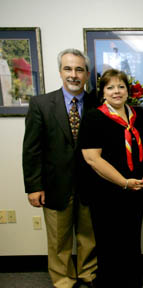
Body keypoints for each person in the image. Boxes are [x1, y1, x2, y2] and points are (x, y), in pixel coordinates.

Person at [22, 48, 98, 288]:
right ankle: (63, 280)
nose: (73, 74)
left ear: (86, 74)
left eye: (79, 69)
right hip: (54, 185)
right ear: (60, 72)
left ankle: (88, 274)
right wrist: (34, 187)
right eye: (68, 68)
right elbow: (31, 149)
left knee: (90, 236)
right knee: (58, 238)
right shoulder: (41, 104)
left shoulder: (98, 104)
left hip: (91, 184)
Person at [79, 69, 143, 287]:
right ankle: (110, 282)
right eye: (110, 87)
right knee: (109, 239)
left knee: (131, 236)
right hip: (106, 190)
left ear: (128, 91)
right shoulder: (94, 116)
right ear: (102, 92)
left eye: (121, 86)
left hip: (137, 187)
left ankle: (131, 279)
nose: (116, 91)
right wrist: (123, 182)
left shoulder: (137, 114)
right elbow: (92, 158)